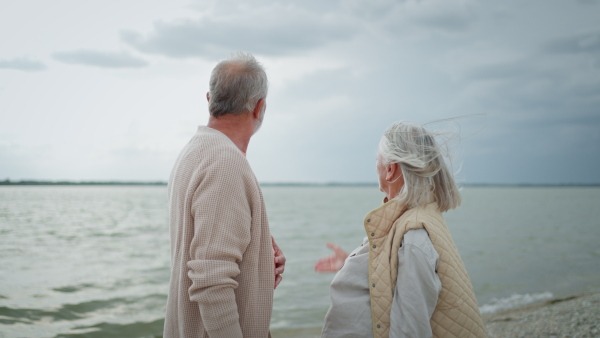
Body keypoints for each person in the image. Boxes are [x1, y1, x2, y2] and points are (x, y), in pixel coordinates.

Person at [315, 121, 486, 338]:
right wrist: (352, 262)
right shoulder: (414, 217)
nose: (375, 166)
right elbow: (396, 276)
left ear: (389, 169)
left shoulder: (414, 235)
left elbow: (410, 331)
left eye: (377, 160)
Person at [163, 52, 285, 338]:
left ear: (209, 99)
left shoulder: (193, 152)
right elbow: (211, 280)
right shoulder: (225, 163)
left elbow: (204, 254)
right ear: (259, 107)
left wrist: (257, 265)